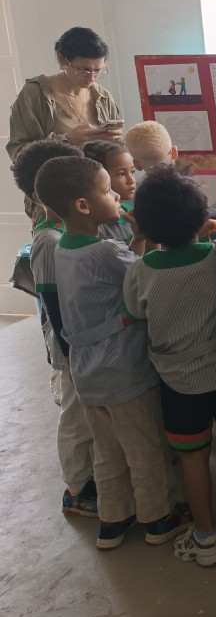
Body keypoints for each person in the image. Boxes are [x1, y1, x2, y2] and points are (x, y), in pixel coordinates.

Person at [34, 156, 190, 550]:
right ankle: (159, 518)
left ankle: (113, 520)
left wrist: (134, 238)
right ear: (83, 205)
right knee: (145, 447)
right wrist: (146, 235)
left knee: (107, 451)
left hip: (88, 372)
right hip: (124, 371)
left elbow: (122, 269)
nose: (117, 196)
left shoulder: (63, 247)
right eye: (107, 191)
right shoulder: (104, 251)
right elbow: (142, 275)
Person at [123, 165, 216, 567]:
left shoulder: (140, 271)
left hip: (179, 383)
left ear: (146, 223)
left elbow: (133, 317)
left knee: (193, 457)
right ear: (203, 216)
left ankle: (205, 538)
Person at [12, 140, 96, 517]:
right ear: (39, 194)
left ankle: (92, 476)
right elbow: (52, 301)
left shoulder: (70, 229)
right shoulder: (48, 240)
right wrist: (72, 349)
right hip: (69, 344)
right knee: (76, 417)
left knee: (89, 413)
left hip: (83, 339)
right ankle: (77, 489)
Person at [7, 27, 123, 219]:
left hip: (99, 199)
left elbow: (115, 154)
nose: (91, 77)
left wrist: (114, 142)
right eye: (84, 69)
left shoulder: (102, 96)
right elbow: (20, 155)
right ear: (62, 59)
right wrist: (68, 140)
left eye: (98, 70)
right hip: (55, 201)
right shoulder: (35, 94)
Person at [83, 140, 137, 245]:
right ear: (102, 177)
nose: (131, 180)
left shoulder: (131, 211)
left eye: (132, 172)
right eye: (122, 174)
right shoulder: (100, 227)